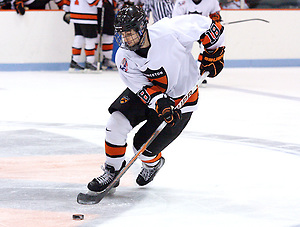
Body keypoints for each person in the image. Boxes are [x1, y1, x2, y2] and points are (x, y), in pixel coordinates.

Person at [87, 5, 225, 192]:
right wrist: (159, 102)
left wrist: (213, 54)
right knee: (116, 123)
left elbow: (210, 26)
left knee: (142, 149)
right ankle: (112, 171)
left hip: (181, 97)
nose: (126, 39)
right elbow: (140, 87)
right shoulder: (124, 57)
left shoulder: (169, 31)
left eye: (130, 33)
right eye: (122, 34)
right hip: (151, 91)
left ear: (142, 28)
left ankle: (153, 164)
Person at [172, 0, 222, 86]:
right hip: (185, 30)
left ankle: (200, 74)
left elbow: (215, 14)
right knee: (182, 51)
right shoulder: (181, 2)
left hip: (203, 30)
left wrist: (216, 21)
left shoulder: (212, 1)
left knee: (206, 48)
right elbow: (176, 20)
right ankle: (180, 75)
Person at [63, 0, 102, 72]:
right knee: (90, 39)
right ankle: (89, 63)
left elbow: (66, 2)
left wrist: (67, 10)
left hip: (75, 14)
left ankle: (74, 62)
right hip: (87, 15)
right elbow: (92, 2)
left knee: (79, 36)